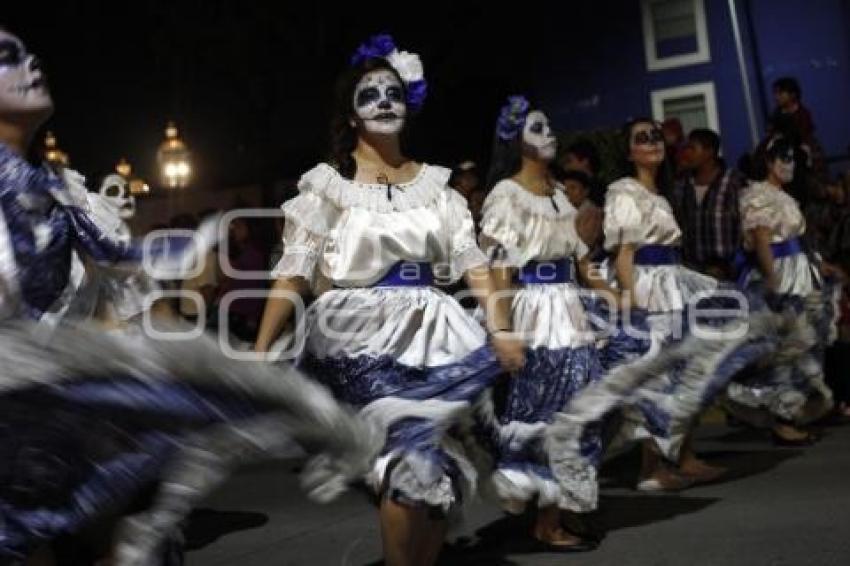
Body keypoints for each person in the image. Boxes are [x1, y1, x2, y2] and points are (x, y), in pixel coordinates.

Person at [0, 27, 381, 565]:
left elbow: (127, 303)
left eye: (30, 54)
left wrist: (177, 372)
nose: (31, 64)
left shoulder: (68, 192)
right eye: (6, 58)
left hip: (72, 414)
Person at [253, 34, 525, 566]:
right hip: (357, 337)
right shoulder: (326, 188)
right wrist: (263, 352)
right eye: (370, 94)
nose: (383, 102)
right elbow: (291, 275)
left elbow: (475, 269)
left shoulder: (439, 191)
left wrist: (502, 327)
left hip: (432, 332)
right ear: (351, 115)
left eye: (393, 93)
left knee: (434, 468)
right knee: (405, 461)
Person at [547, 119, 777, 493]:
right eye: (642, 138)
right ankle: (651, 469)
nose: (652, 142)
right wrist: (631, 303)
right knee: (656, 376)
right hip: (648, 284)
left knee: (687, 368)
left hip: (672, 279)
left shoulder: (659, 191)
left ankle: (684, 456)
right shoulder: (624, 191)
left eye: (655, 136)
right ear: (629, 152)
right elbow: (624, 253)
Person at [479, 95, 608, 551]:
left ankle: (557, 512)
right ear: (516, 140)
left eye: (550, 126)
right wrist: (504, 329)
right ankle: (545, 520)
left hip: (569, 309)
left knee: (577, 410)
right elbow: (498, 270)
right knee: (541, 412)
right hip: (534, 311)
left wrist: (617, 297)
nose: (550, 133)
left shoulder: (558, 196)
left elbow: (582, 261)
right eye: (538, 128)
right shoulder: (506, 196)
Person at [726, 135, 840, 444]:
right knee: (788, 346)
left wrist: (819, 265)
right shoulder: (758, 195)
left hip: (801, 272)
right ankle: (779, 418)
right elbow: (762, 239)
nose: (788, 164)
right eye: (782, 158)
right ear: (768, 161)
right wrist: (773, 279)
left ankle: (791, 413)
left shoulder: (783, 196)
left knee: (805, 344)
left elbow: (797, 241)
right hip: (782, 275)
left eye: (791, 158)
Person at [671, 128, 745, 280]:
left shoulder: (734, 181)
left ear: (709, 152)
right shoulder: (683, 184)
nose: (687, 153)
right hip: (691, 271)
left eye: (692, 148)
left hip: (728, 272)